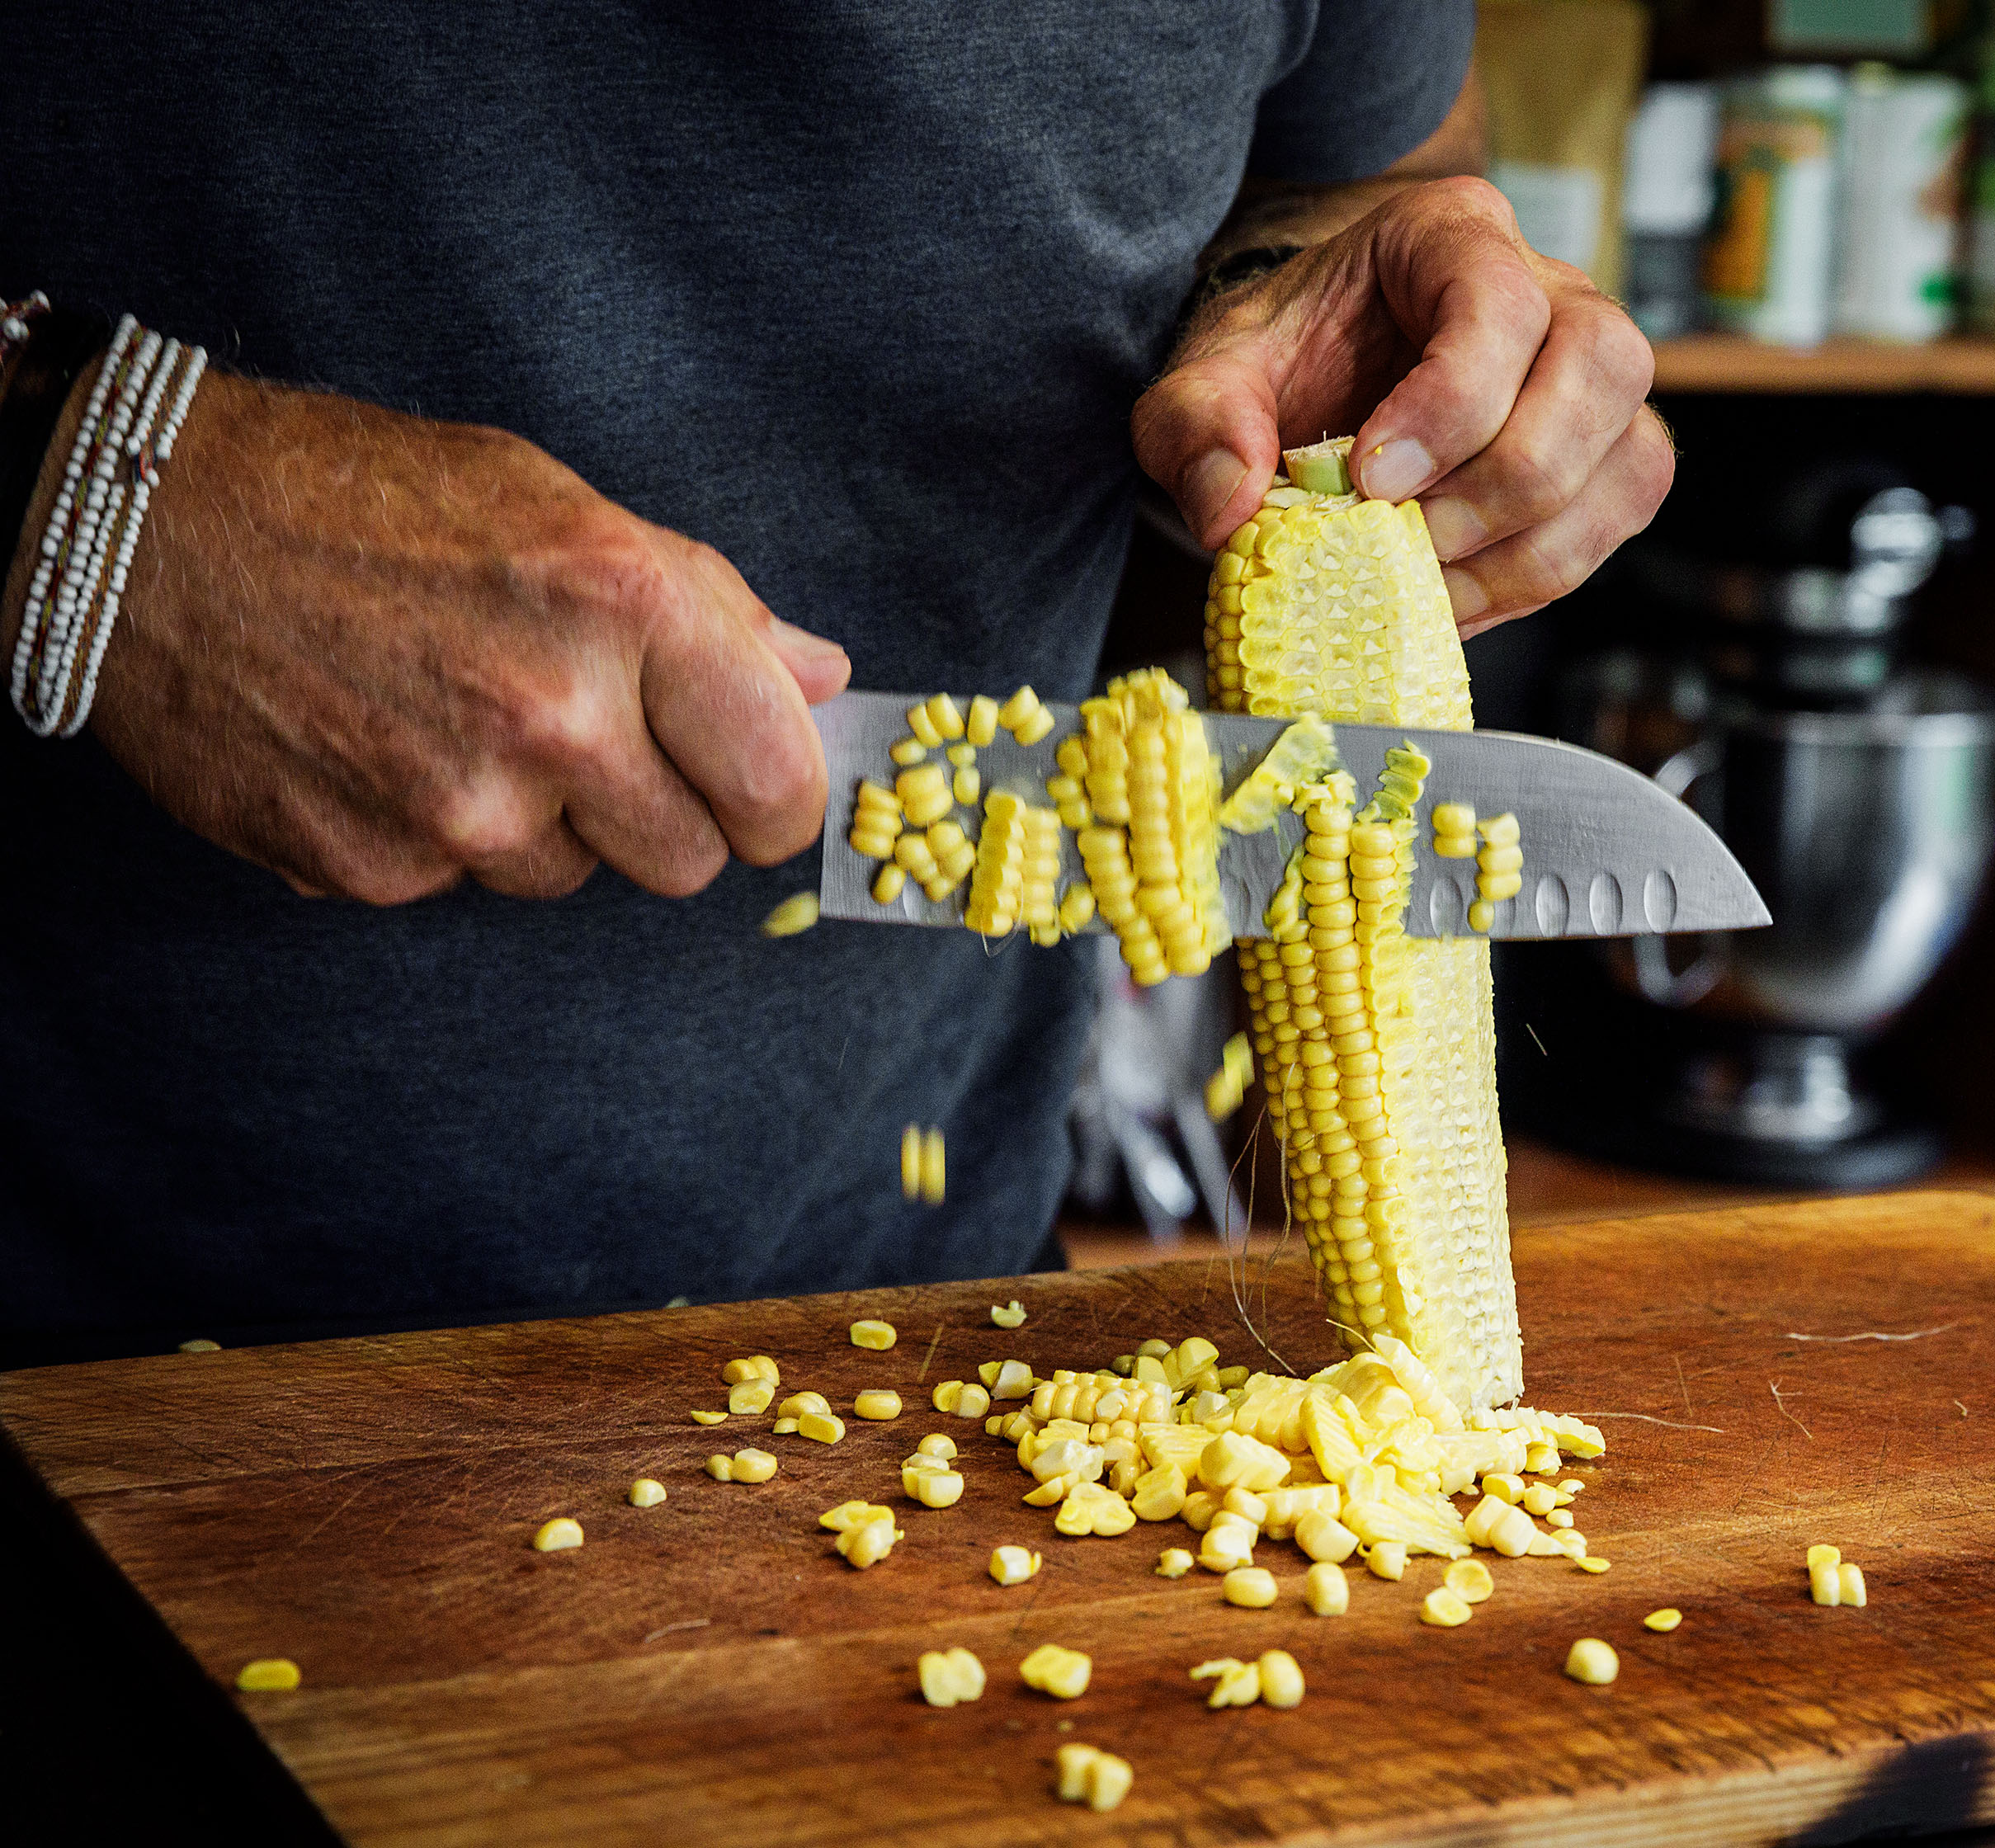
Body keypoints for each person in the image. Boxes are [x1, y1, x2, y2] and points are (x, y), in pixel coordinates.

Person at [0, 4, 1670, 1366]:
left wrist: (1341, 288)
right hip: (93, 1331)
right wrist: (79, 490)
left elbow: (1363, 160)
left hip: (929, 1321)